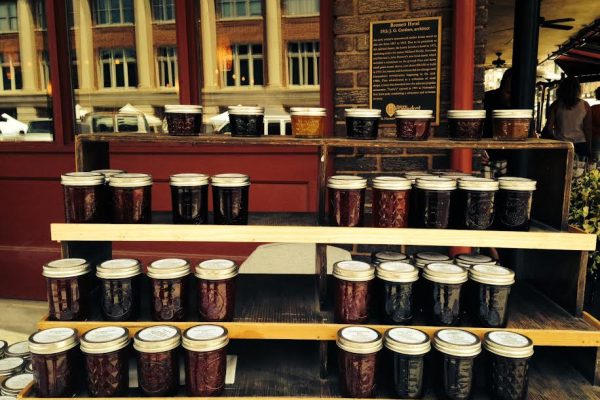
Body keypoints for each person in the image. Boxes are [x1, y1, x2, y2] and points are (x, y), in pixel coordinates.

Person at [543, 77, 592, 157]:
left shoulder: (556, 105)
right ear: (578, 89)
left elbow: (548, 128)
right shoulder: (585, 105)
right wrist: (589, 148)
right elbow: (588, 129)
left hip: (561, 144)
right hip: (580, 144)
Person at [483, 68, 513, 138]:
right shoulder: (486, 100)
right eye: (509, 93)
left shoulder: (522, 106)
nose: (512, 98)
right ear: (501, 84)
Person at [591, 86, 600, 161]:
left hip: (596, 139)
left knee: (595, 162)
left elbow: (588, 126)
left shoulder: (593, 109)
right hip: (596, 139)